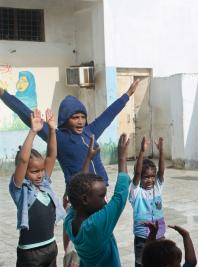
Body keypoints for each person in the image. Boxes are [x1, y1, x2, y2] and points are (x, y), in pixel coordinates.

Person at [0, 79, 139, 251]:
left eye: (82, 117)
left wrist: (127, 95)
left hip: (99, 194)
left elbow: (109, 114)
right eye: (75, 118)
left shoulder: (91, 131)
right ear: (65, 120)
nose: (80, 121)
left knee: (98, 236)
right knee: (77, 241)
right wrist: (4, 95)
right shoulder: (60, 138)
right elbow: (26, 114)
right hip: (79, 197)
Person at [64, 134, 131, 267]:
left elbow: (79, 186)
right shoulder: (95, 225)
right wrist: (122, 158)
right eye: (102, 196)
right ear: (85, 199)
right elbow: (119, 197)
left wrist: (88, 158)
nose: (105, 201)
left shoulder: (70, 221)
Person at [10, 108, 65, 267]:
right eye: (34, 171)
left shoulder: (45, 184)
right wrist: (33, 132)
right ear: (24, 173)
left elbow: (51, 155)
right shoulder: (21, 190)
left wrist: (52, 130)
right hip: (30, 254)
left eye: (41, 170)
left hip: (51, 247)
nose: (40, 175)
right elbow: (23, 161)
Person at [129, 136, 167, 267]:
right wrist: (141, 151)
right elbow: (137, 173)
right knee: (141, 263)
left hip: (159, 234)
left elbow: (161, 171)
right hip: (142, 236)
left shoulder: (157, 187)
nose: (150, 180)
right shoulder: (136, 192)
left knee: (162, 261)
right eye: (146, 177)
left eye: (152, 177)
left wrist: (161, 152)